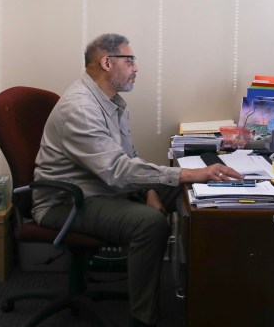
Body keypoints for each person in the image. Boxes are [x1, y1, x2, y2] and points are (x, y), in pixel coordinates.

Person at [32, 33, 241, 327]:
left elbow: (129, 157)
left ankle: (217, 295)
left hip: (103, 187)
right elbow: (117, 171)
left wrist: (150, 191)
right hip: (68, 201)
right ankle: (143, 320)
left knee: (194, 191)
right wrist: (184, 173)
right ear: (107, 62)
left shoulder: (111, 102)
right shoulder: (81, 110)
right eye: (129, 60)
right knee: (150, 222)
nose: (136, 67)